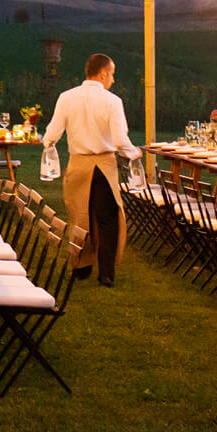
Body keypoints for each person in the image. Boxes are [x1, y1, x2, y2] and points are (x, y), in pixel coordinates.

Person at [41, 53, 142, 286]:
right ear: (103, 73)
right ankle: (106, 274)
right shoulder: (112, 101)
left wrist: (48, 145)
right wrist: (133, 153)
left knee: (78, 217)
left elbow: (52, 134)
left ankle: (80, 267)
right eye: (112, 75)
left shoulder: (66, 98)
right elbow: (119, 139)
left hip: (78, 164)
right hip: (104, 165)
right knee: (107, 220)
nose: (113, 80)